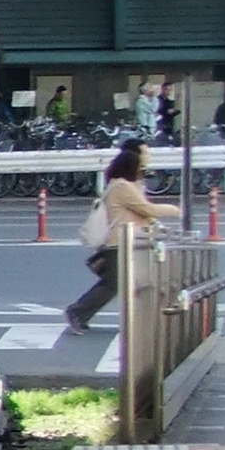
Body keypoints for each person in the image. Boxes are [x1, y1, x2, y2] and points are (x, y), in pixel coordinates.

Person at [66, 138, 181, 333]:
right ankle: (78, 311)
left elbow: (140, 213)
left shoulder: (126, 185)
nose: (148, 158)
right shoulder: (122, 187)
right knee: (114, 283)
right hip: (120, 242)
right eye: (145, 154)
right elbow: (146, 209)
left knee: (125, 282)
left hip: (129, 240)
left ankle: (85, 313)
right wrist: (176, 210)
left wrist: (157, 226)